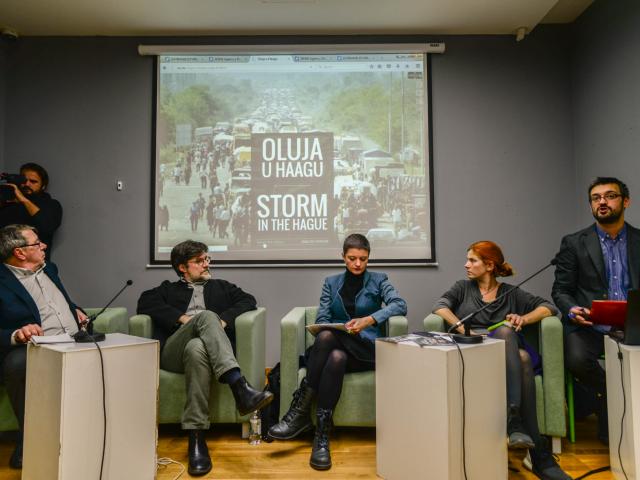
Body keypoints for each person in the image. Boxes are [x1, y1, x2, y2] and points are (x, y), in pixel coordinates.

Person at [433, 241, 570, 480]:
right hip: (475, 354)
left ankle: (515, 420)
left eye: (472, 260)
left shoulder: (511, 293)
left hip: (505, 358)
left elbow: (549, 308)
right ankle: (538, 453)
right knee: (523, 356)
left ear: (489, 265)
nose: (466, 264)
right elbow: (440, 306)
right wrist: (460, 325)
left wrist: (523, 319)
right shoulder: (462, 288)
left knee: (510, 336)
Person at [268, 233, 407, 470]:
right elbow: (323, 318)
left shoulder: (379, 280)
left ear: (368, 258)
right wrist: (341, 329)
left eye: (363, 259)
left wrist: (368, 320)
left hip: (367, 351)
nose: (357, 264)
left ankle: (299, 411)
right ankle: (321, 436)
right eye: (352, 258)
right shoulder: (330, 283)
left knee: (327, 339)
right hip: (340, 350)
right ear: (343, 257)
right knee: (335, 354)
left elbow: (399, 304)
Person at [136, 240, 273, 476]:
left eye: (206, 259)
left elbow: (248, 300)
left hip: (202, 354)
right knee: (204, 318)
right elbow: (144, 302)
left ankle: (196, 438)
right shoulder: (167, 289)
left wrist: (222, 320)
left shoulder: (221, 286)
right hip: (173, 354)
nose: (206, 264)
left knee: (197, 347)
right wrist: (183, 319)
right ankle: (239, 387)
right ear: (182, 267)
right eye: (199, 261)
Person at [552, 177, 640, 445]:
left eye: (610, 196)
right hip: (588, 325)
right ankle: (611, 403)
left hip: (633, 324)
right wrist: (572, 309)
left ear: (625, 202)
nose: (602, 201)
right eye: (596, 198)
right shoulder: (574, 242)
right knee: (576, 359)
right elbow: (561, 290)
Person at [0, 224, 88, 470]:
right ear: (20, 252)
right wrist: (17, 334)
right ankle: (28, 440)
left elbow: (57, 301)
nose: (44, 246)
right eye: (37, 243)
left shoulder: (50, 268)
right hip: (35, 348)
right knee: (17, 364)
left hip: (74, 339)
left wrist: (76, 309)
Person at [0, 163, 62, 260]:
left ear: (43, 186)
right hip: (4, 262)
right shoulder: (8, 201)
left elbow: (47, 227)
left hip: (33, 264)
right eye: (24, 180)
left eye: (33, 181)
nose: (27, 184)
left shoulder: (51, 204)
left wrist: (23, 200)